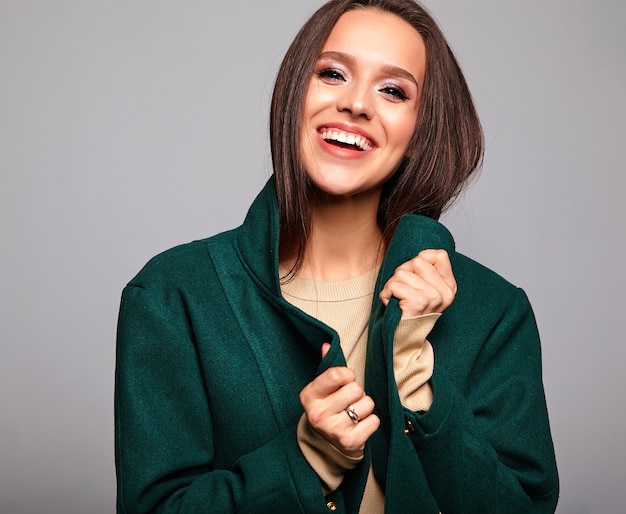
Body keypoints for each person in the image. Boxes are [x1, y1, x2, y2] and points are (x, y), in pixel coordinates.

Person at [114, 0, 559, 512]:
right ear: (295, 94)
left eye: (393, 90)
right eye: (332, 74)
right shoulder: (174, 296)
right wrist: (307, 458)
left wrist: (419, 388)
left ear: (419, 134)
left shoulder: (493, 311)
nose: (356, 104)